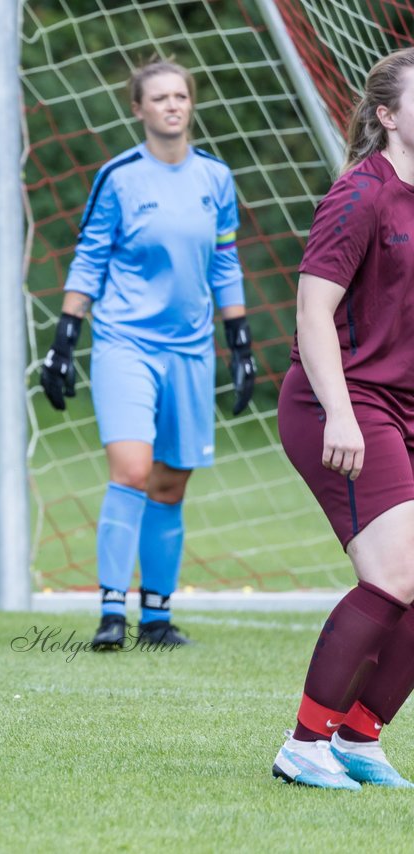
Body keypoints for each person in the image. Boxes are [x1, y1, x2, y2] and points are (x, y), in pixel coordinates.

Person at [38, 58, 256, 651]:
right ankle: (112, 612)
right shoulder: (119, 177)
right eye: (158, 97)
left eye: (180, 95)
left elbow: (224, 262)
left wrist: (239, 343)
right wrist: (64, 339)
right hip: (124, 343)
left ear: (191, 104)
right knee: (131, 471)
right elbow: (89, 258)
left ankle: (157, 617)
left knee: (169, 483)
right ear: (138, 108)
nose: (171, 105)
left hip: (190, 350)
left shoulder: (215, 177)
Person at [272, 47, 414, 790]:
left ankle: (358, 739)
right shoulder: (361, 194)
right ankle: (304, 744)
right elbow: (314, 311)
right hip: (344, 401)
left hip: (406, 406)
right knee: (395, 573)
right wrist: (340, 414)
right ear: (387, 115)